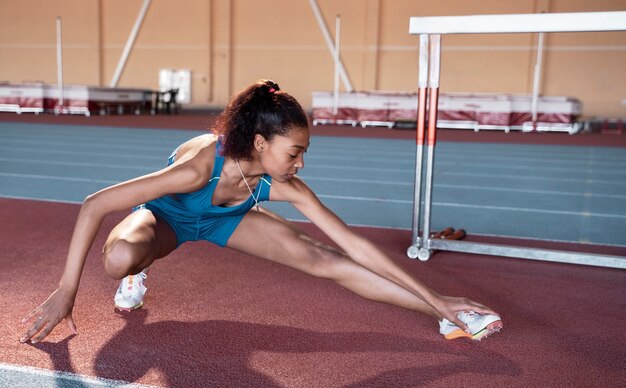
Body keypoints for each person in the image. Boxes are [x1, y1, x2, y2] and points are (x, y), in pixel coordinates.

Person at [20, 80, 502, 345]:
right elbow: (94, 204)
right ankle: (137, 274)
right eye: (294, 152)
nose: (301, 163)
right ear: (258, 142)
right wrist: (67, 293)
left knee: (324, 260)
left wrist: (440, 300)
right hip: (167, 215)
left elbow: (351, 245)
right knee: (120, 257)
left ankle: (446, 317)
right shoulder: (195, 170)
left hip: (224, 218)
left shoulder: (280, 182)